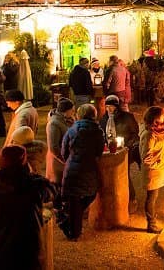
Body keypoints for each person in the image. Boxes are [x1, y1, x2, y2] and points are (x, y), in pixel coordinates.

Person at [0, 145, 56, 270]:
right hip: (29, 259)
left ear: (0, 163)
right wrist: (32, 174)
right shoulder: (35, 189)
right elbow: (52, 190)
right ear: (25, 165)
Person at [60, 103, 105, 241]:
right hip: (90, 168)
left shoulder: (72, 129)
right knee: (89, 194)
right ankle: (73, 230)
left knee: (74, 201)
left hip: (72, 168)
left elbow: (64, 150)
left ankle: (72, 229)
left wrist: (71, 158)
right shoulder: (98, 131)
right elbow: (99, 151)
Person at [99, 94, 140, 209]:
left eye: (111, 107)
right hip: (109, 151)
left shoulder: (127, 117)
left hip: (125, 150)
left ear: (117, 106)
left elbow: (135, 133)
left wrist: (127, 145)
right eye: (107, 107)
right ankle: (116, 201)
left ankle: (132, 199)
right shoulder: (104, 119)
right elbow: (102, 133)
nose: (109, 109)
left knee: (124, 174)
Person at [46, 97, 75, 213]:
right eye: (72, 110)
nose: (73, 112)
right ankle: (58, 208)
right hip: (57, 160)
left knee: (64, 182)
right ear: (66, 111)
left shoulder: (66, 120)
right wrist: (64, 159)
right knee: (57, 183)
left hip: (65, 157)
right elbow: (54, 146)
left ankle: (64, 206)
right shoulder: (54, 124)